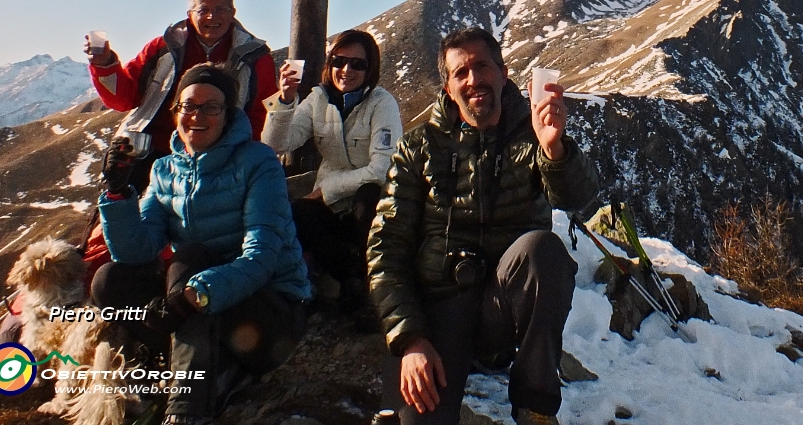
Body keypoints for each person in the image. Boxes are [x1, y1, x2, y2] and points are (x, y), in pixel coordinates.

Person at [367, 28, 599, 425]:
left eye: (482, 66)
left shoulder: (533, 135)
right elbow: (386, 248)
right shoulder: (418, 148)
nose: (473, 80)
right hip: (439, 307)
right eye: (461, 72)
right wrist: (410, 340)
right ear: (448, 86)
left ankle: (535, 408)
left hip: (502, 307)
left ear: (503, 72)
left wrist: (554, 149)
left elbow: (577, 197)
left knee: (543, 251)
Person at [92, 63, 311, 425]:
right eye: (188, 106)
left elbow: (262, 258)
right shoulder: (165, 170)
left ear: (228, 115)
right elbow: (135, 251)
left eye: (211, 107)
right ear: (176, 110)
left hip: (267, 314)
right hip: (204, 310)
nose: (197, 115)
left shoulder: (258, 162)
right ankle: (209, 366)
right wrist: (117, 195)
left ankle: (186, 412)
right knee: (109, 280)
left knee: (189, 260)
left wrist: (192, 297)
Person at [261, 29, 403, 306]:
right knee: (299, 212)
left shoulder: (382, 103)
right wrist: (286, 100)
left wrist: (326, 189)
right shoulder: (317, 99)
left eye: (357, 64)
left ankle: (373, 286)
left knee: (368, 196)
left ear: (369, 69)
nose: (346, 70)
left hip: (370, 207)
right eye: (339, 61)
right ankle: (350, 280)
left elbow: (381, 169)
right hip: (332, 209)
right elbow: (275, 144)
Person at [85, 0, 277, 160]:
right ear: (190, 14)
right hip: (151, 151)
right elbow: (123, 99)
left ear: (233, 12)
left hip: (219, 158)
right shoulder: (162, 48)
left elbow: (261, 115)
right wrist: (105, 64)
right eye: (203, 10)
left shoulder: (255, 57)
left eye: (220, 9)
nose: (212, 16)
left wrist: (243, 155)